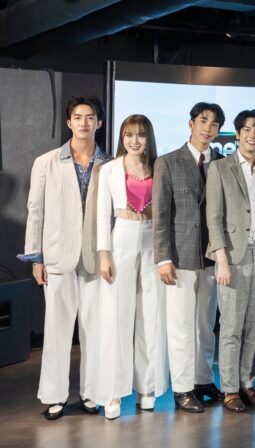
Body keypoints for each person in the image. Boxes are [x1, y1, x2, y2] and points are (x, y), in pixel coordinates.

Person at [19, 95, 111, 420]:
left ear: (99, 122)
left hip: (96, 258)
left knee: (94, 331)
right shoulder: (46, 162)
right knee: (56, 331)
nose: (84, 122)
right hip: (57, 256)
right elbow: (35, 211)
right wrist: (36, 258)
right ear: (69, 122)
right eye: (78, 117)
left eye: (90, 117)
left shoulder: (110, 164)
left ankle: (92, 393)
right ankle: (55, 396)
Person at [92, 115, 168, 419]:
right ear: (122, 137)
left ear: (148, 138)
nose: (134, 141)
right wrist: (104, 254)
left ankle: (146, 387)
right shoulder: (109, 169)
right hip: (120, 239)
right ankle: (113, 391)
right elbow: (102, 216)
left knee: (151, 315)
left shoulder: (159, 167)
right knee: (117, 317)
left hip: (153, 241)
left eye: (140, 135)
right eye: (128, 135)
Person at [153, 102, 225, 412]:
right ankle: (182, 389)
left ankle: (203, 379)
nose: (208, 128)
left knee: (205, 325)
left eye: (214, 124)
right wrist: (163, 258)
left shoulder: (222, 162)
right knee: (181, 325)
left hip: (212, 256)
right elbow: (160, 214)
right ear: (191, 123)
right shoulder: (167, 162)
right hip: (179, 257)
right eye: (203, 121)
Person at [205, 110, 255, 412]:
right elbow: (214, 217)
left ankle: (248, 384)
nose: (252, 135)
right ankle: (230, 389)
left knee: (254, 327)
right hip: (232, 256)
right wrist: (221, 259)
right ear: (237, 133)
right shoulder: (220, 168)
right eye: (247, 129)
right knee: (231, 326)